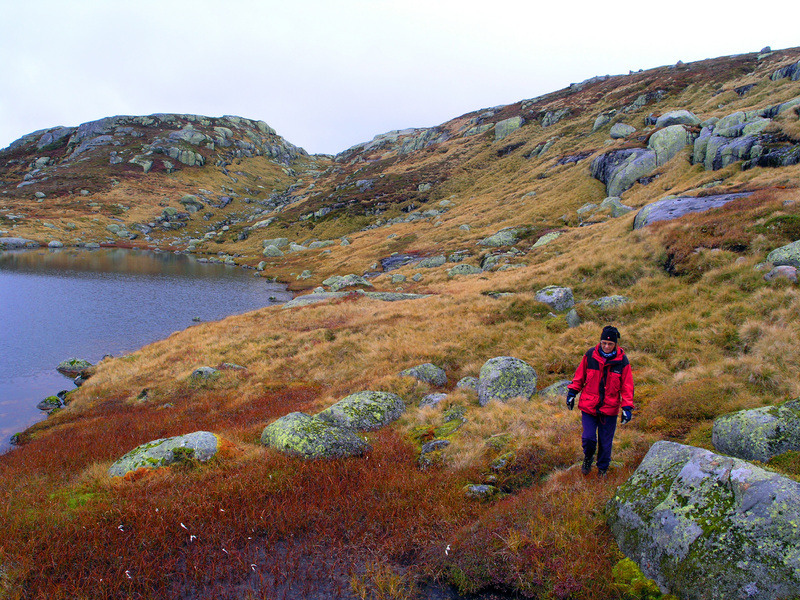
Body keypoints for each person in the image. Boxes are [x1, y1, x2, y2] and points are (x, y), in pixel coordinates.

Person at [565, 325, 634, 477]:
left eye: (610, 344)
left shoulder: (622, 361)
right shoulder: (590, 355)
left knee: (605, 442)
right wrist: (572, 393)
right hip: (589, 406)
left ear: (616, 344)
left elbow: (627, 386)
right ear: (600, 342)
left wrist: (627, 408)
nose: (606, 346)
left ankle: (602, 470)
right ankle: (588, 457)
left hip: (609, 409)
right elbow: (580, 376)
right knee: (588, 438)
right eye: (604, 343)